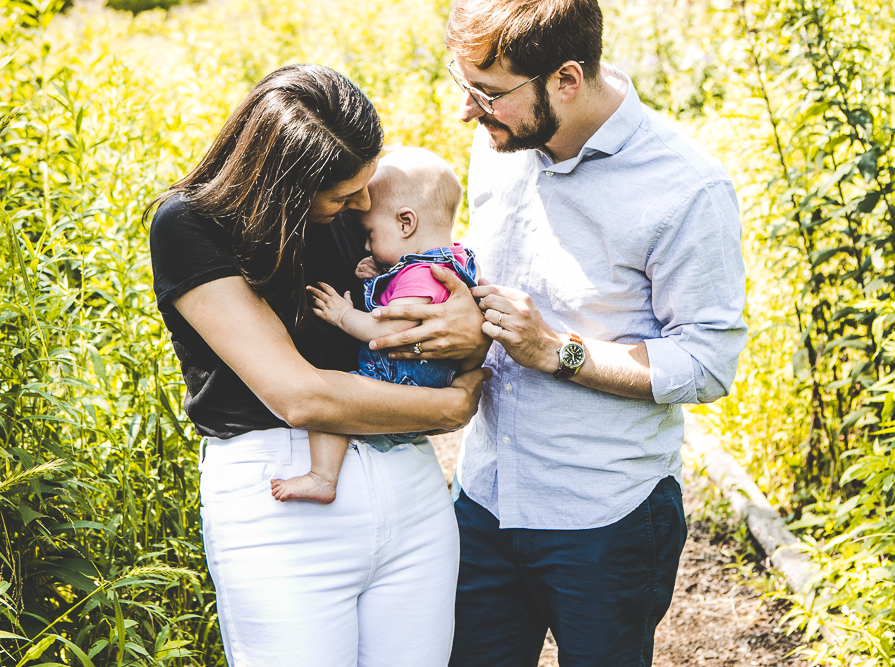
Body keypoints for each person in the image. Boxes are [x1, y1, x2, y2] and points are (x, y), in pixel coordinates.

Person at [365, 1, 748, 665]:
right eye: (466, 88)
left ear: (567, 81)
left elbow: (708, 362)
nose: (470, 110)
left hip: (606, 520)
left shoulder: (686, 189)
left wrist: (557, 352)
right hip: (483, 500)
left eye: (487, 93)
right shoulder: (503, 141)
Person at [147, 64, 488, 667]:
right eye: (344, 193)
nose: (363, 203)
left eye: (366, 185)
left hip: (407, 481)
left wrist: (470, 332)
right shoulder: (190, 228)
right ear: (288, 184)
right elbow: (298, 396)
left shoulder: (356, 222)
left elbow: (437, 305)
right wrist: (450, 406)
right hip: (283, 496)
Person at [271, 147, 482, 504]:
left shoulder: (421, 274)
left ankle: (323, 477)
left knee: (332, 400)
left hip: (397, 384)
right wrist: (383, 275)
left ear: (406, 222)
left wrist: (343, 315)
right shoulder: (450, 261)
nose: (365, 244)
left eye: (369, 233)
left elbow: (390, 332)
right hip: (425, 387)